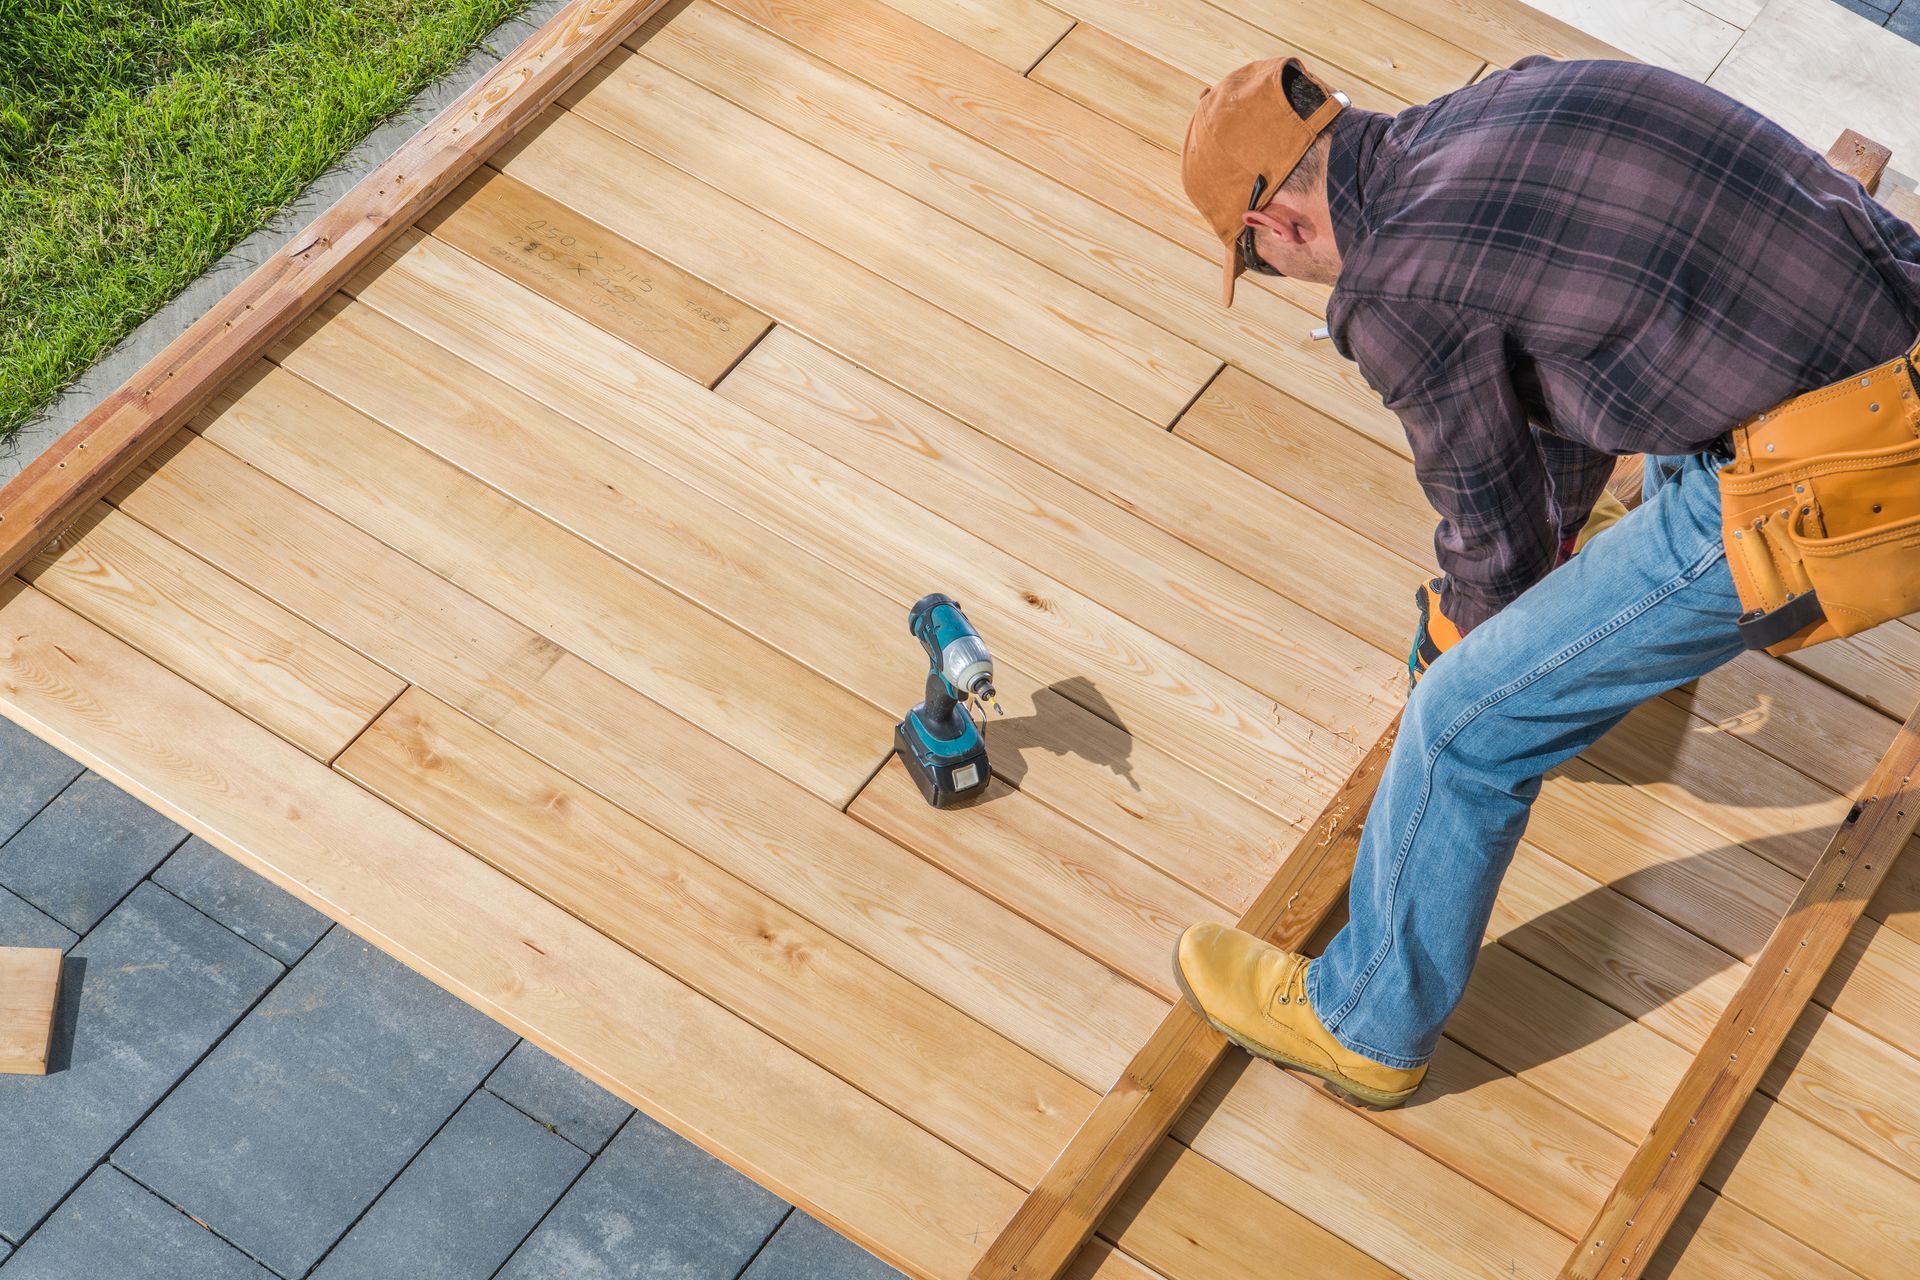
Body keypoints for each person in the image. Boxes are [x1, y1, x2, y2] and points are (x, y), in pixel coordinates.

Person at [1171, 55, 1920, 1107]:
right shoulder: (1504, 97)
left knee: (1464, 727)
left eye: (1264, 268)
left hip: (1847, 469)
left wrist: (1467, 637)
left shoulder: (1393, 286)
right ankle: (1626, 628)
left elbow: (1492, 535)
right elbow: (1558, 388)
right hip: (1887, 322)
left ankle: (1366, 1021)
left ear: (1274, 228)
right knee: (1628, 454)